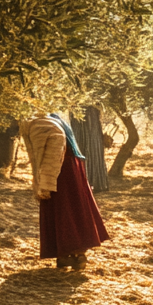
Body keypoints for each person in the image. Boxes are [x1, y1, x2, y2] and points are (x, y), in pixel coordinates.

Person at [20, 113, 109, 271]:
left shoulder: (38, 125)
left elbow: (43, 155)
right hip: (72, 169)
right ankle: (75, 255)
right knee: (75, 208)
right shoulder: (54, 120)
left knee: (63, 209)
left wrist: (44, 180)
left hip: (60, 171)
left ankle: (68, 254)